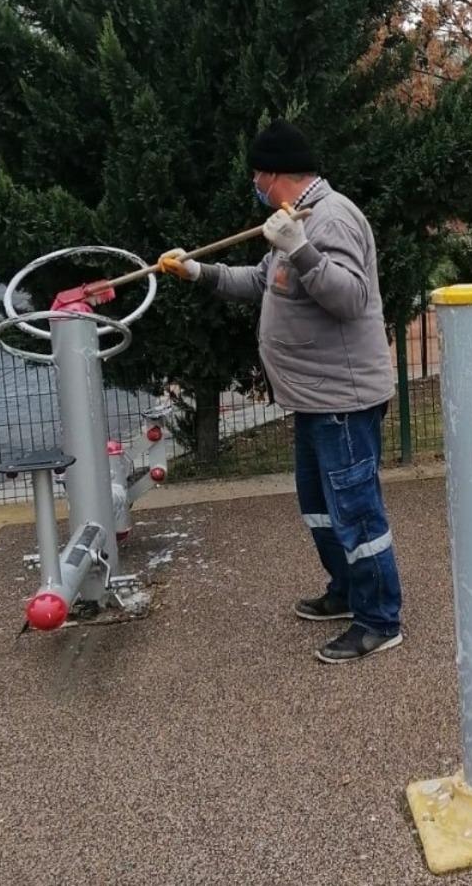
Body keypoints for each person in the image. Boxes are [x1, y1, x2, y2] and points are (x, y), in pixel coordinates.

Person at [158, 120, 403, 664]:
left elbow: (352, 298)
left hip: (343, 401)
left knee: (357, 512)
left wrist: (301, 248)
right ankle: (347, 591)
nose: (254, 184)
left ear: (273, 174)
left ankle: (380, 620)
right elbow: (260, 282)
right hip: (313, 399)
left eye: (256, 175)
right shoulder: (293, 217)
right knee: (320, 508)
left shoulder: (330, 218)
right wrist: (197, 272)